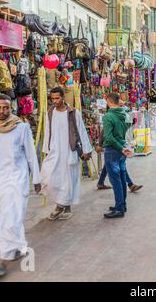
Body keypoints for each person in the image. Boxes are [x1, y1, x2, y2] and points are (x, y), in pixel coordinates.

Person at [0, 94, 41, 277]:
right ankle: (16, 248)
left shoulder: (21, 127)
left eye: (5, 108)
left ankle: (5, 258)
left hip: (18, 179)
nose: (2, 111)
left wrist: (36, 178)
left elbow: (30, 154)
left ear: (11, 107)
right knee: (7, 216)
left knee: (11, 216)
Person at [41, 87, 93, 221]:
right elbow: (47, 131)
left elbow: (81, 131)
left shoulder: (73, 113)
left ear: (63, 97)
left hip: (70, 150)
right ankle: (62, 205)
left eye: (57, 98)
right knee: (50, 177)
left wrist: (86, 150)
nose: (54, 101)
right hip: (54, 151)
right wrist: (46, 150)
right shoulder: (50, 112)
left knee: (68, 179)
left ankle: (62, 207)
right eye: (52, 98)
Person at [96, 99, 142, 192]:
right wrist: (99, 144)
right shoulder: (109, 117)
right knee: (120, 169)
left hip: (116, 146)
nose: (122, 108)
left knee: (109, 165)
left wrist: (130, 123)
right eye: (120, 106)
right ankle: (130, 185)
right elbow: (104, 132)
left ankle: (100, 183)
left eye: (122, 106)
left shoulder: (119, 115)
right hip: (112, 146)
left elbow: (123, 129)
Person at [102, 93, 133, 218]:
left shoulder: (108, 116)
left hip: (113, 149)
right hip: (122, 146)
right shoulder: (125, 114)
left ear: (109, 101)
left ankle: (119, 208)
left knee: (115, 180)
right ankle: (122, 204)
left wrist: (119, 148)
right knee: (121, 177)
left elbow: (108, 137)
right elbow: (129, 125)